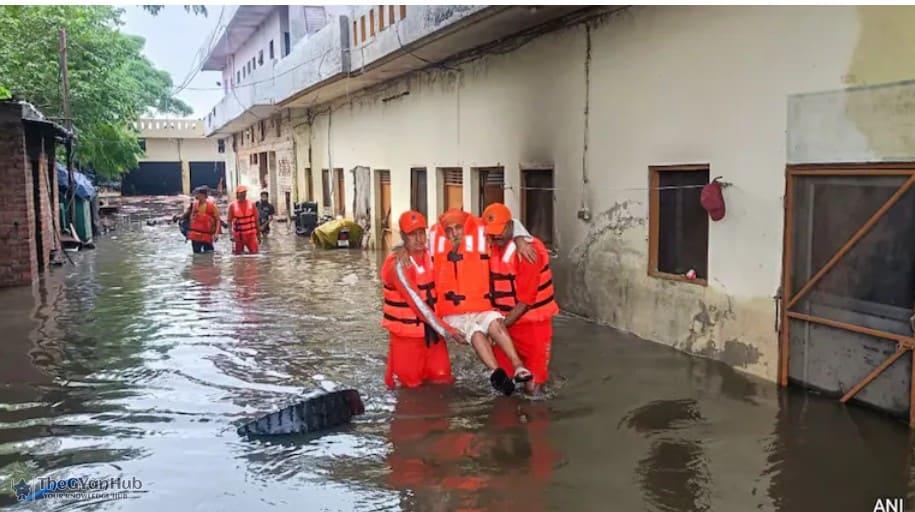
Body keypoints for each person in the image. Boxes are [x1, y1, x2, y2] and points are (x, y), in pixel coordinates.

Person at [431, 208, 533, 396]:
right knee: (475, 332)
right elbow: (411, 244)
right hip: (452, 313)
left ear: (465, 227)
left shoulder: (481, 231)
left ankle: (518, 366)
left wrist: (520, 238)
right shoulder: (432, 238)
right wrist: (400, 251)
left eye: (458, 228)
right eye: (449, 230)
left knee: (496, 321)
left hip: (480, 306)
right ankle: (497, 374)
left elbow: (510, 224)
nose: (454, 234)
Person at [482, 203, 559, 395]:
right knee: (502, 386)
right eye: (491, 233)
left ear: (510, 226)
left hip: (533, 326)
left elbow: (526, 302)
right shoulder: (490, 244)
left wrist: (497, 329)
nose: (495, 237)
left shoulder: (529, 253)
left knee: (533, 387)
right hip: (504, 325)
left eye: (499, 231)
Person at [381, 211, 463, 389]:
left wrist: (519, 236)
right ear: (403, 236)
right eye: (412, 234)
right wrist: (449, 331)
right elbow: (417, 304)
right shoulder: (397, 265)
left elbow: (466, 228)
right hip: (407, 339)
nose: (419, 239)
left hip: (434, 337)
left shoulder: (432, 254)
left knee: (443, 380)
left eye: (421, 233)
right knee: (410, 390)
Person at [173, 186, 221, 254]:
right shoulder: (193, 205)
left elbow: (218, 220)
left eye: (197, 194)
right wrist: (178, 217)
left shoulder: (212, 206)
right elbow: (186, 215)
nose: (196, 196)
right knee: (196, 255)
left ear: (203, 195)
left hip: (207, 235)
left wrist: (216, 234)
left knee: (209, 254)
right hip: (195, 235)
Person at [227, 185, 260, 254]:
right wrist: (231, 234)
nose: (243, 194)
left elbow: (257, 220)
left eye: (244, 192)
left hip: (251, 234)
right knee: (238, 255)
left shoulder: (252, 204)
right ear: (237, 194)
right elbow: (229, 221)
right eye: (241, 192)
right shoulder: (232, 206)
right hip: (238, 235)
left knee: (255, 254)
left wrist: (259, 235)